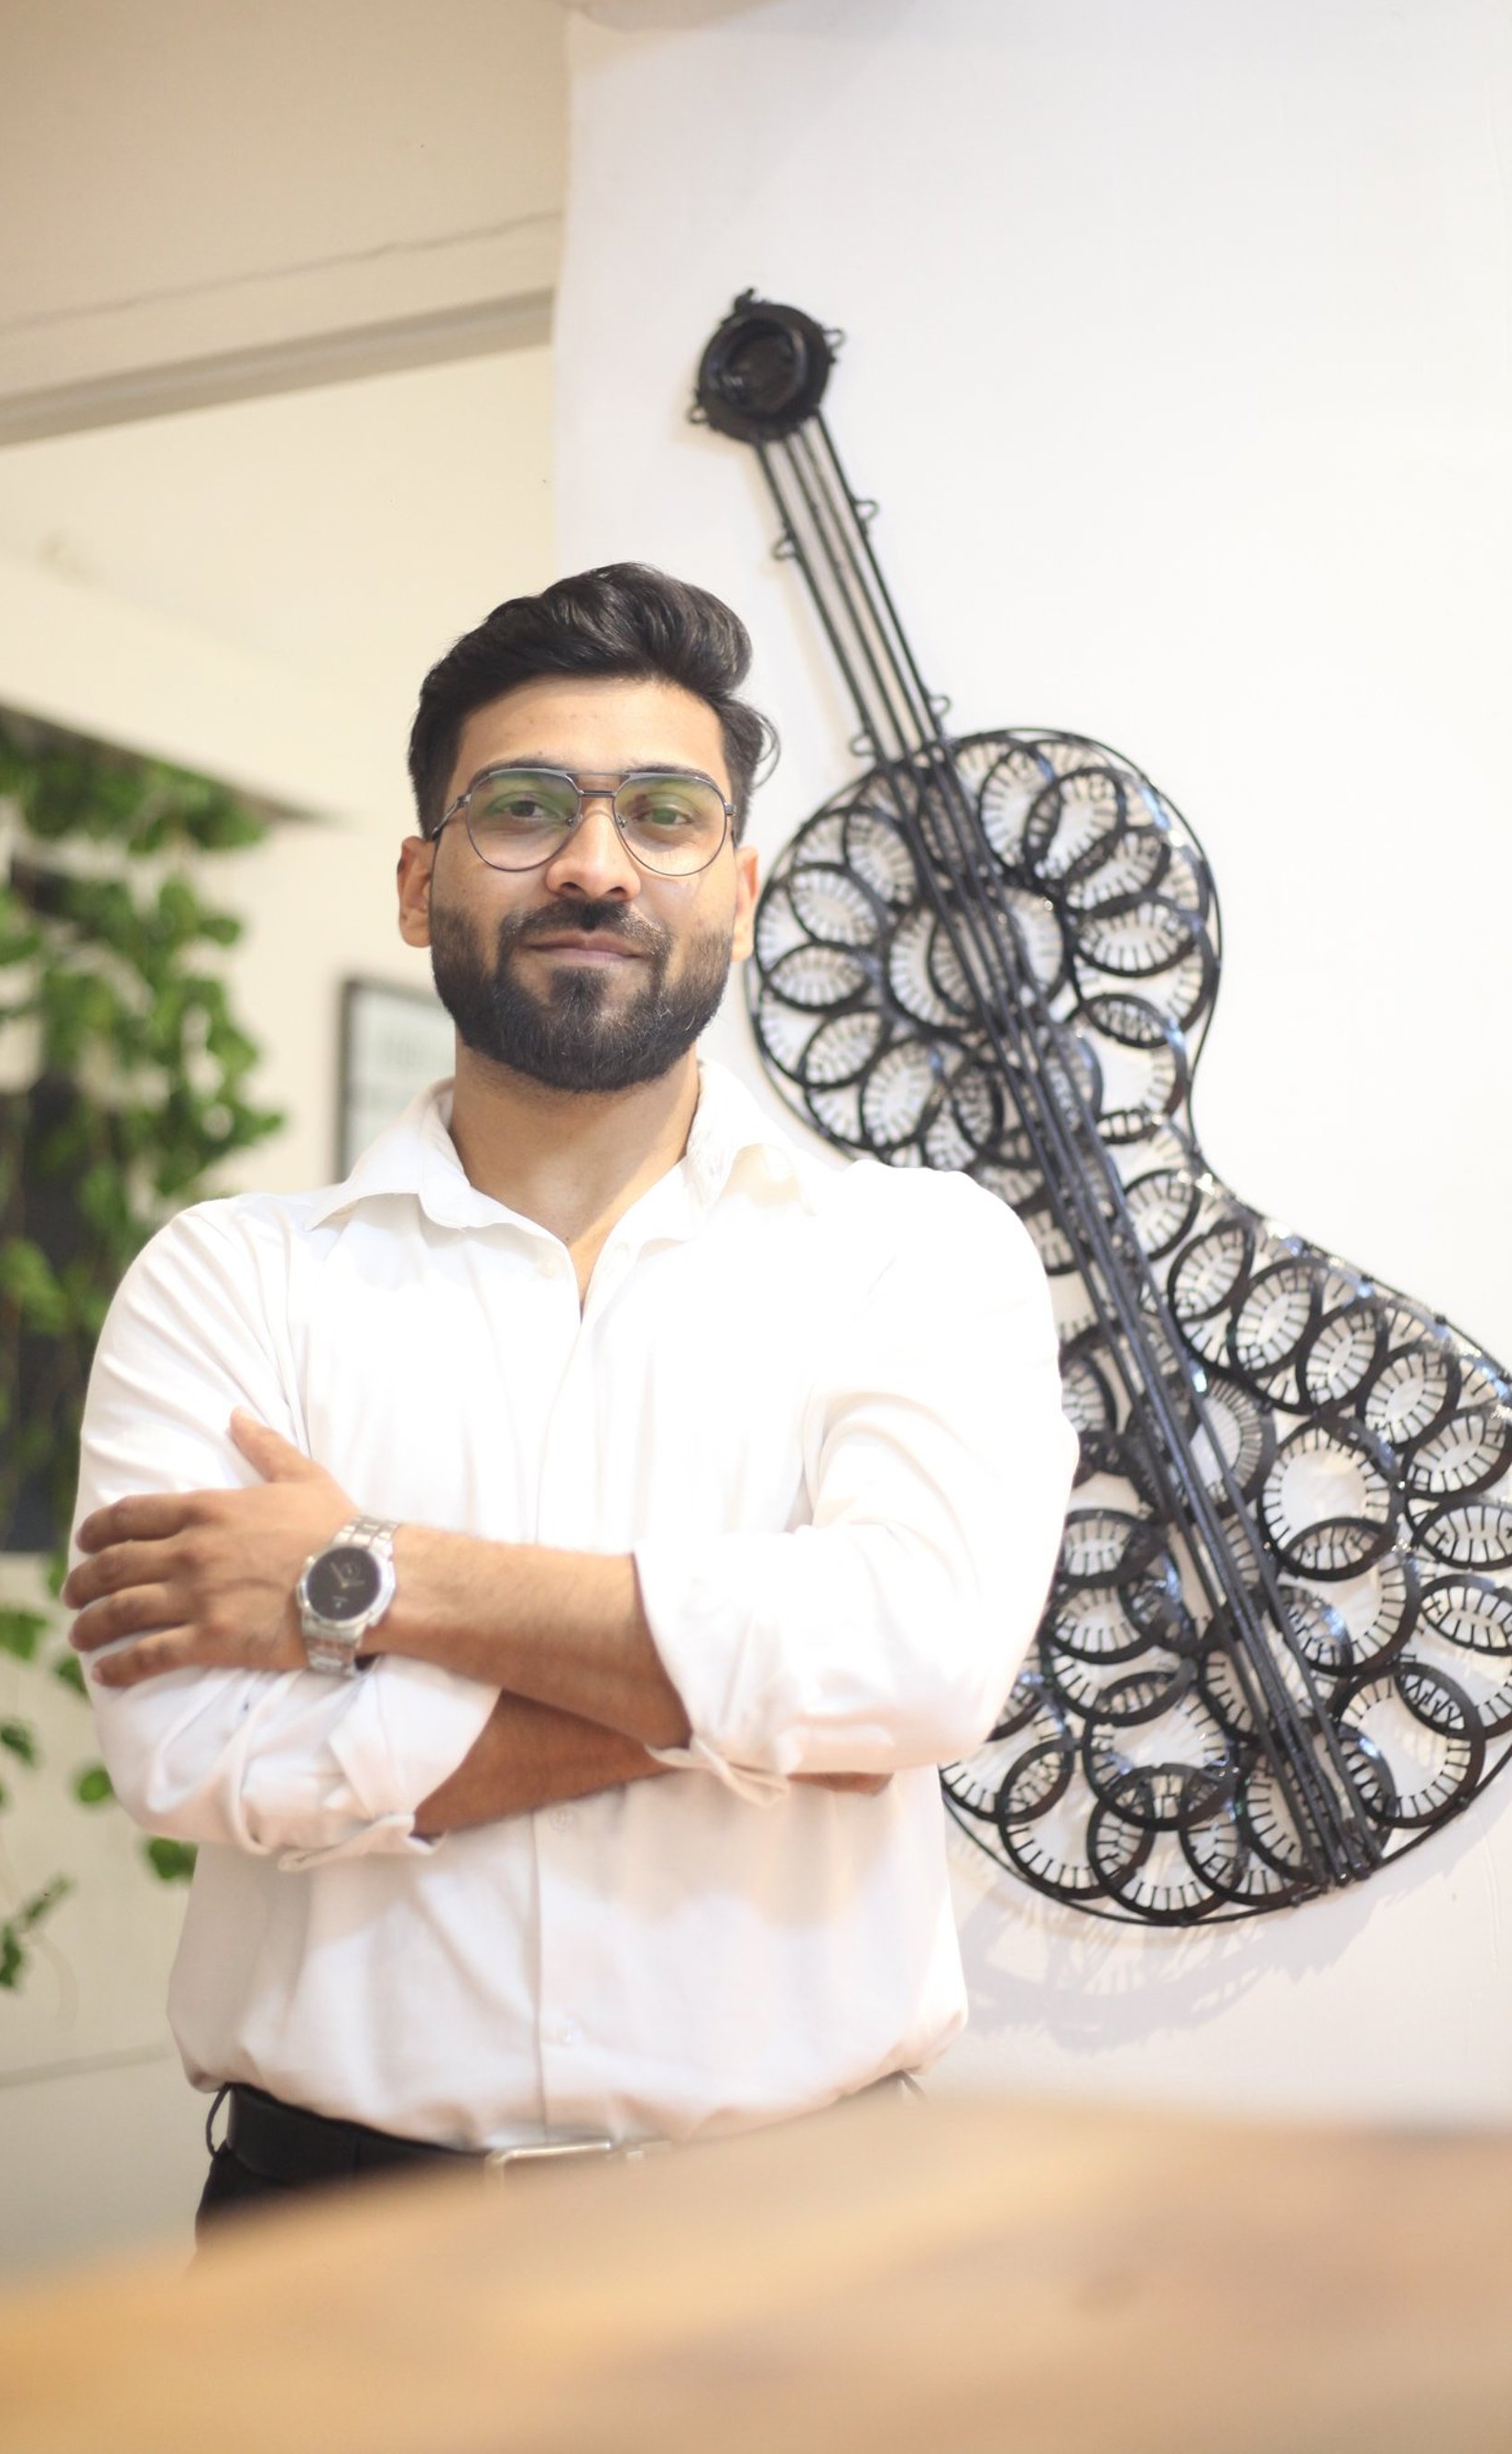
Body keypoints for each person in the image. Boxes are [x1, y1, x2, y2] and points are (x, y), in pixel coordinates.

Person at [62, 562, 1076, 2235]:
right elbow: (187, 1752)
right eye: (523, 807)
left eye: (665, 814)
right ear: (418, 880)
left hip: (807, 2242)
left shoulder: (918, 1255)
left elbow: (919, 1666)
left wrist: (366, 1580)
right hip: (335, 2247)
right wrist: (755, 1705)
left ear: (737, 885)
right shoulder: (228, 1281)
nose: (595, 864)